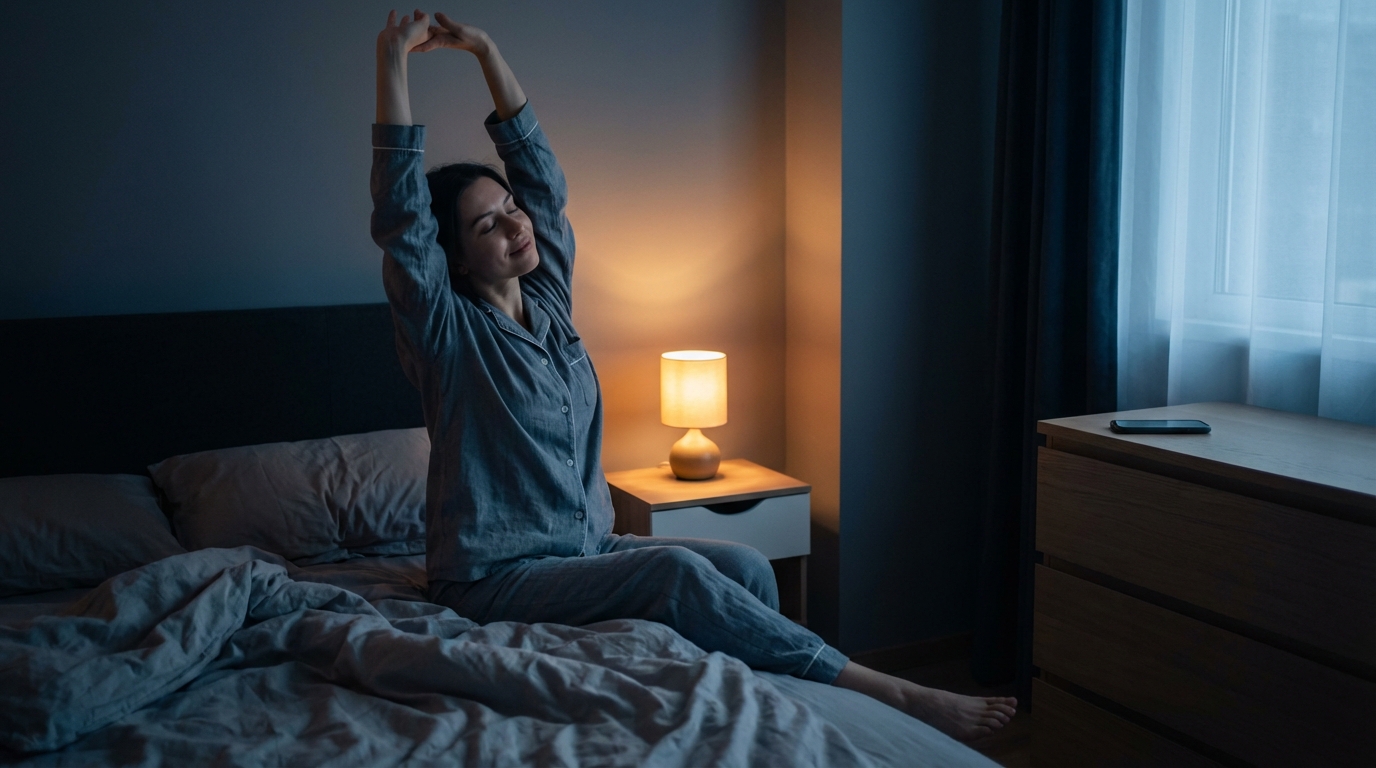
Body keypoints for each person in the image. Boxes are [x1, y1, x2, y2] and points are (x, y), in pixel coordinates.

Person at [371, 9, 1016, 741]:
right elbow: (400, 217)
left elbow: (543, 181)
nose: (517, 224)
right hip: (493, 578)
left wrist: (485, 51)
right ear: (453, 258)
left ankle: (775, 711)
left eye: (509, 208)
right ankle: (889, 691)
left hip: (588, 551)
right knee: (676, 576)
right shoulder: (447, 335)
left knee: (745, 567)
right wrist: (392, 58)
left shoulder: (550, 302)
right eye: (488, 224)